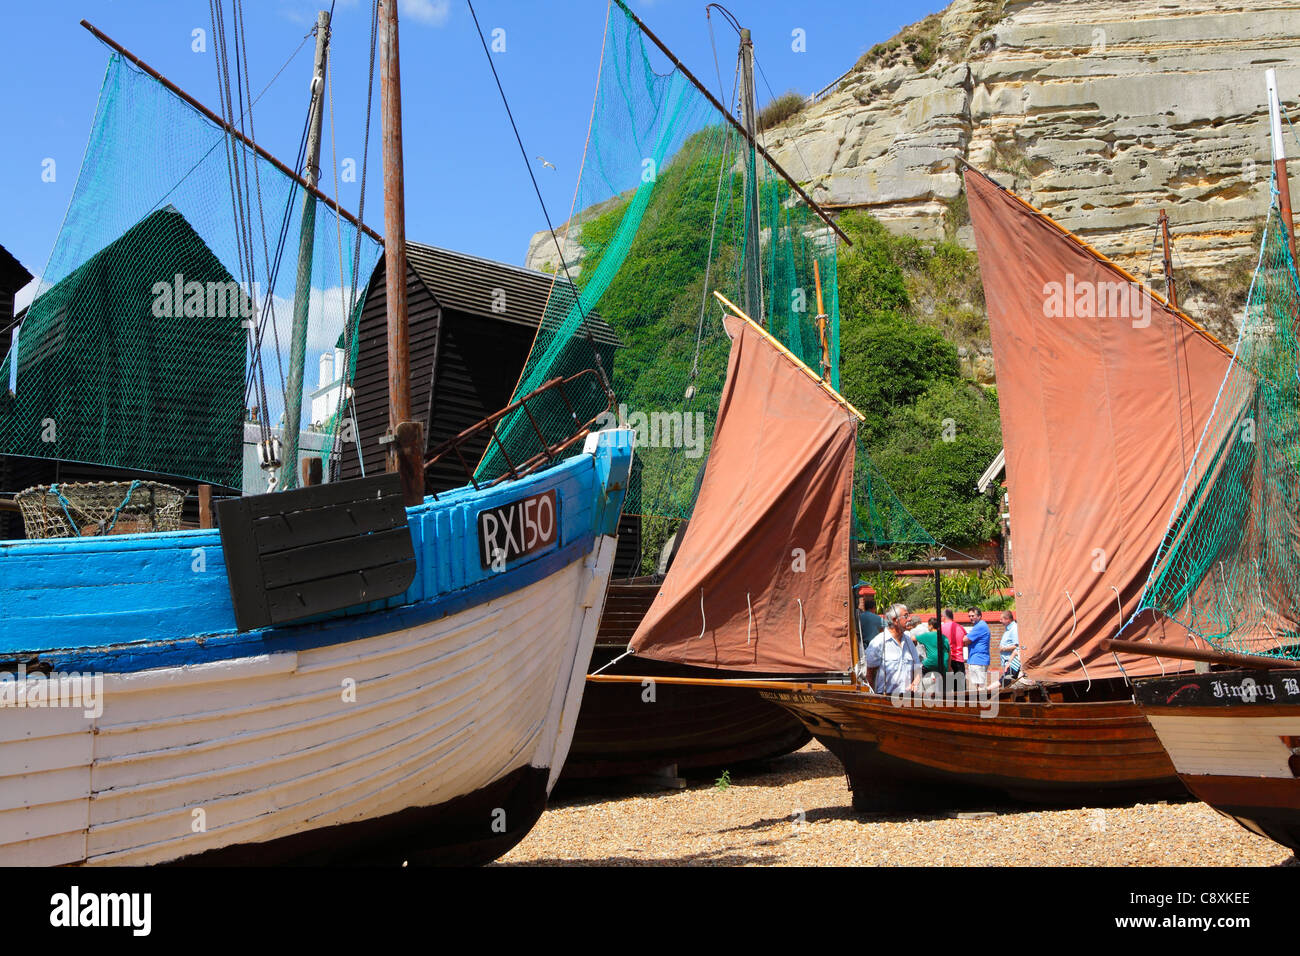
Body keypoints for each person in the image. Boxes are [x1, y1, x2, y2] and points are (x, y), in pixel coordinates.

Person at [861, 603, 923, 696]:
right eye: (906, 616)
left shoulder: (908, 641)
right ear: (895, 620)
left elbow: (917, 667)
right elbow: (868, 673)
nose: (910, 619)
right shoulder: (879, 642)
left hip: (908, 699)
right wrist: (874, 699)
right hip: (886, 700)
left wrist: (914, 684)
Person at [963, 607, 992, 690]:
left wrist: (966, 639)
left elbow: (965, 640)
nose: (971, 618)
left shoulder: (980, 626)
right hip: (976, 659)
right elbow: (967, 641)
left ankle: (982, 702)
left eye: (973, 616)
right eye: (969, 616)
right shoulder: (979, 626)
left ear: (979, 616)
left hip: (978, 660)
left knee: (980, 687)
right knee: (978, 686)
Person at [857, 589, 883, 663]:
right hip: (874, 648)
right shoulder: (877, 618)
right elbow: (888, 627)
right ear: (873, 608)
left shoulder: (860, 617)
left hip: (861, 647)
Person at [941, 608, 966, 676]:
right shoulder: (960, 627)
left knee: (949, 685)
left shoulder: (941, 628)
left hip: (947, 660)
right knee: (960, 686)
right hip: (959, 660)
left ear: (944, 617)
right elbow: (965, 641)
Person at [999, 610, 1021, 685]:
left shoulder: (1014, 629)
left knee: (1005, 682)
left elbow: (1017, 645)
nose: (1000, 621)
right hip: (1007, 661)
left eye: (1001, 619)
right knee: (1006, 682)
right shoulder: (1008, 629)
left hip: (1012, 662)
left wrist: (1003, 649)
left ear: (1007, 619)